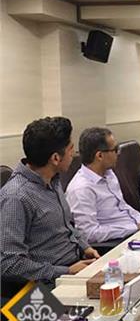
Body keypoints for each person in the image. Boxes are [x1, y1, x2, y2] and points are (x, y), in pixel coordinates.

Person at [0, 117, 99, 295]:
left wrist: (85, 246)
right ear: (55, 158)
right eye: (70, 148)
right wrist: (65, 272)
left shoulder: (52, 180)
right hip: (38, 289)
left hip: (72, 269)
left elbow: (67, 226)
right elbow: (9, 263)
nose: (74, 153)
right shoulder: (16, 197)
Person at [66, 128, 140, 244]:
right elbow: (89, 234)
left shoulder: (109, 174)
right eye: (115, 149)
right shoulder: (81, 189)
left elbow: (123, 206)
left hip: (135, 230)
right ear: (99, 156)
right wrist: (133, 228)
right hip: (116, 242)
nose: (118, 154)